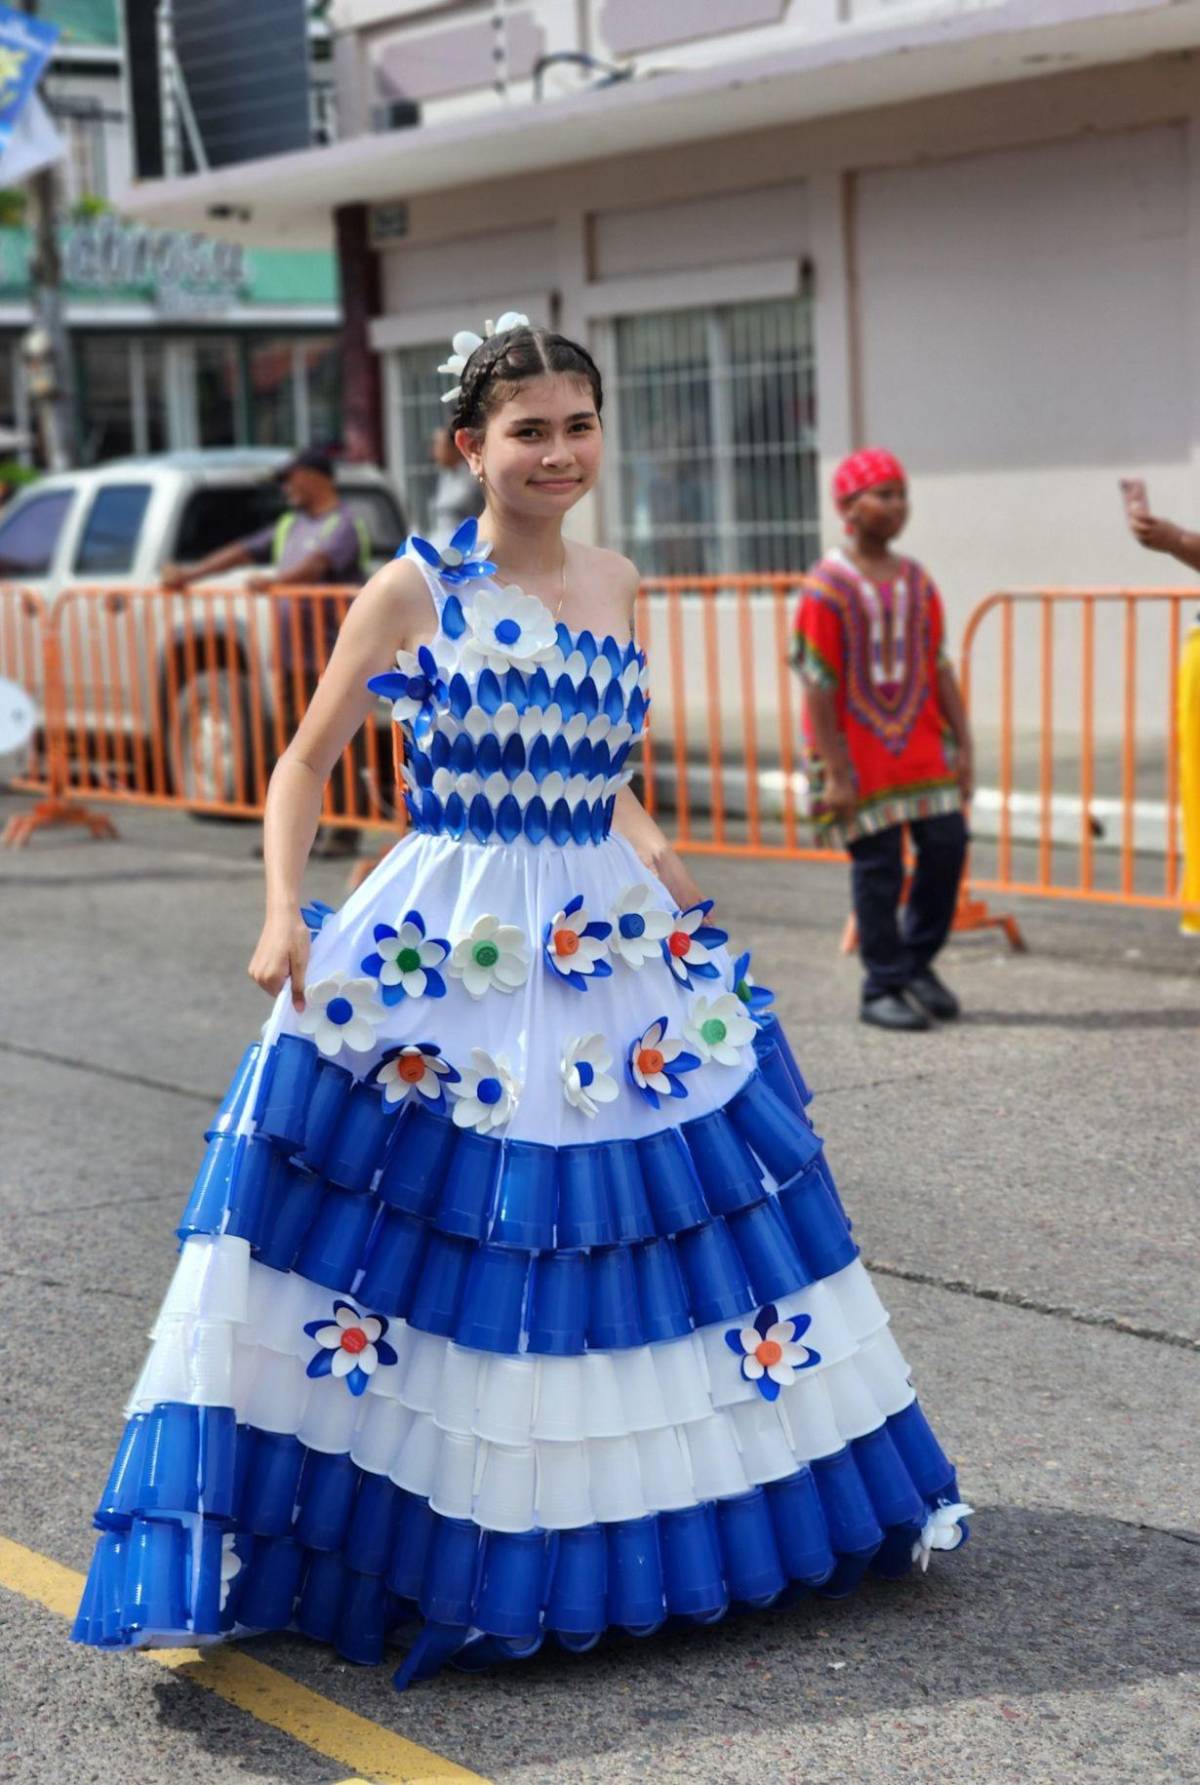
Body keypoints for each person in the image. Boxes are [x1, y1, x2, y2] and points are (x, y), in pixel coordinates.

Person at [73, 327, 970, 1689]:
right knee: (457, 1235)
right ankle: (446, 1547)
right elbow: (301, 764)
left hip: (602, 930)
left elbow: (594, 766)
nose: (557, 453)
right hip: (453, 933)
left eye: (577, 425)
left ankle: (649, 1536)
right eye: (527, 431)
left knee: (641, 1223)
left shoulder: (615, 580)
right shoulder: (410, 587)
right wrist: (276, 914)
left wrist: (665, 867)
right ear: (468, 449)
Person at [793, 450, 974, 1031]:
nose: (898, 506)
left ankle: (915, 961)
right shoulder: (826, 588)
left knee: (947, 846)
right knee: (879, 869)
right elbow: (817, 683)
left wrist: (964, 742)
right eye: (884, 494)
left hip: (921, 747)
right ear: (848, 507)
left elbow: (938, 665)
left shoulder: (917, 581)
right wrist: (836, 769)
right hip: (856, 754)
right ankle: (882, 986)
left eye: (902, 494)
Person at [162, 446, 371, 858]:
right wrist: (191, 575)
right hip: (294, 656)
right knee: (299, 746)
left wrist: (276, 582)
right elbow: (241, 551)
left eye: (290, 477)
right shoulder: (288, 525)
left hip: (335, 656)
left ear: (316, 476)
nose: (286, 487)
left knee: (341, 743)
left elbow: (314, 568)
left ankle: (346, 829)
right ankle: (301, 831)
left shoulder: (344, 524)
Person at [428, 422, 484, 546]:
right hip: (441, 543)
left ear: (456, 446)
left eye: (438, 445)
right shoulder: (445, 476)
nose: (434, 452)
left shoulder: (473, 477)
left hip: (467, 546)